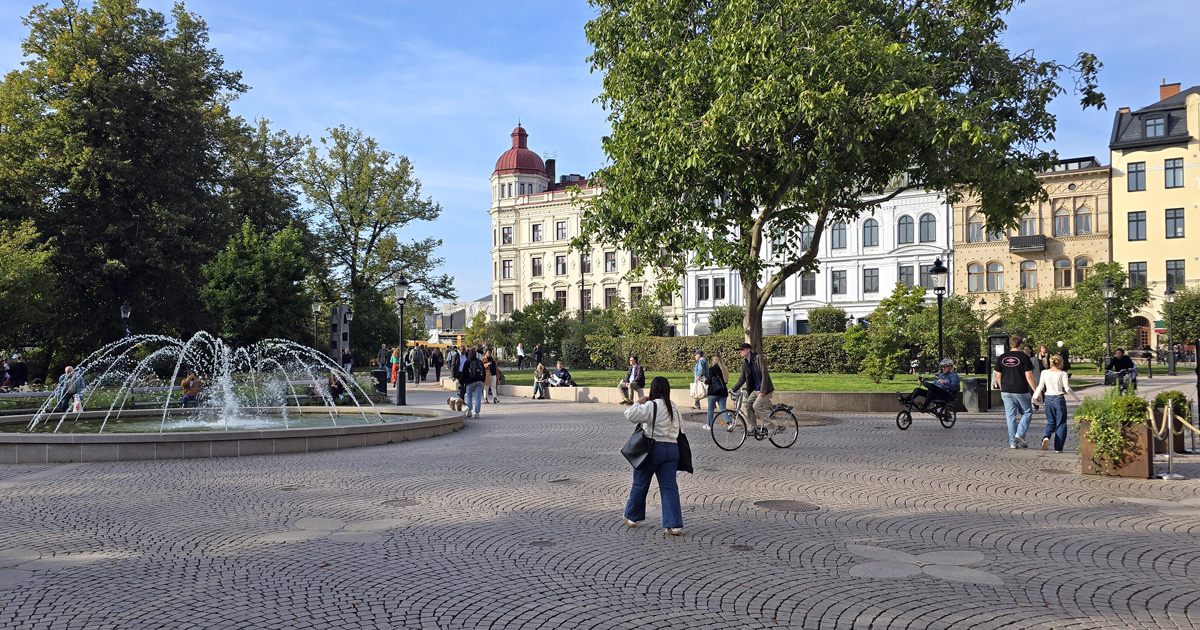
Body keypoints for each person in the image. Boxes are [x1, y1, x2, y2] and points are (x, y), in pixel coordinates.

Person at [622, 376, 684, 535]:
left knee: (640, 483)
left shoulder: (651, 405)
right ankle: (674, 525)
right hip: (672, 448)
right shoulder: (674, 407)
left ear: (653, 389)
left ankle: (632, 516)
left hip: (652, 448)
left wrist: (638, 402)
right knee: (669, 487)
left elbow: (630, 414)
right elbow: (681, 430)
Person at [994, 335, 1037, 449]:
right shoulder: (1024, 357)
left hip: (1006, 390)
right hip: (1021, 389)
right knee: (1027, 412)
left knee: (1010, 416)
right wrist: (1035, 390)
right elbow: (1029, 375)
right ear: (1020, 345)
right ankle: (1020, 434)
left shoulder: (1002, 357)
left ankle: (1013, 442)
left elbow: (998, 375)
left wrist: (1001, 387)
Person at [1033, 354, 1079, 453]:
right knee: (1061, 423)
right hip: (1059, 398)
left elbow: (1040, 386)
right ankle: (1058, 448)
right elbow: (1067, 388)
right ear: (1061, 363)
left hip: (1048, 398)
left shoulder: (1044, 372)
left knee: (1051, 421)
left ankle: (1046, 436)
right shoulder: (1063, 374)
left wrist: (1035, 396)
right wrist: (1076, 398)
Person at [730, 343, 775, 436]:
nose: (740, 352)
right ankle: (753, 427)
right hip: (754, 390)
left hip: (765, 389)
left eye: (742, 350)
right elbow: (742, 378)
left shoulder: (758, 358)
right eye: (740, 350)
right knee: (748, 405)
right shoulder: (745, 363)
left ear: (748, 350)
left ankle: (770, 426)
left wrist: (763, 390)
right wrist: (733, 389)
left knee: (756, 406)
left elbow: (764, 374)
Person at [705, 353, 730, 431]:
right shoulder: (724, 369)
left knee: (710, 409)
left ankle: (709, 425)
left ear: (714, 360)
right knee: (723, 408)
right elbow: (725, 381)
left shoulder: (712, 369)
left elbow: (710, 380)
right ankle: (729, 423)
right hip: (723, 392)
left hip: (714, 392)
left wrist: (705, 381)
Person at [460, 348, 486, 418]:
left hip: (470, 381)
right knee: (478, 397)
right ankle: (477, 413)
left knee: (469, 396)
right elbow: (484, 372)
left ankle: (469, 411)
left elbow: (464, 373)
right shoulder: (479, 362)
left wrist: (461, 381)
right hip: (479, 381)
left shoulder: (467, 362)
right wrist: (483, 380)